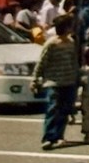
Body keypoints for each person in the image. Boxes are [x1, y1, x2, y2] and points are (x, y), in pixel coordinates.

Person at [32, 13, 80, 150]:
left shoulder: (71, 43)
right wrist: (35, 79)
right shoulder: (51, 43)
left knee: (64, 111)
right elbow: (41, 62)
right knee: (52, 110)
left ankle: (59, 136)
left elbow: (74, 62)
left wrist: (77, 78)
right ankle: (48, 138)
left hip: (68, 81)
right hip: (53, 82)